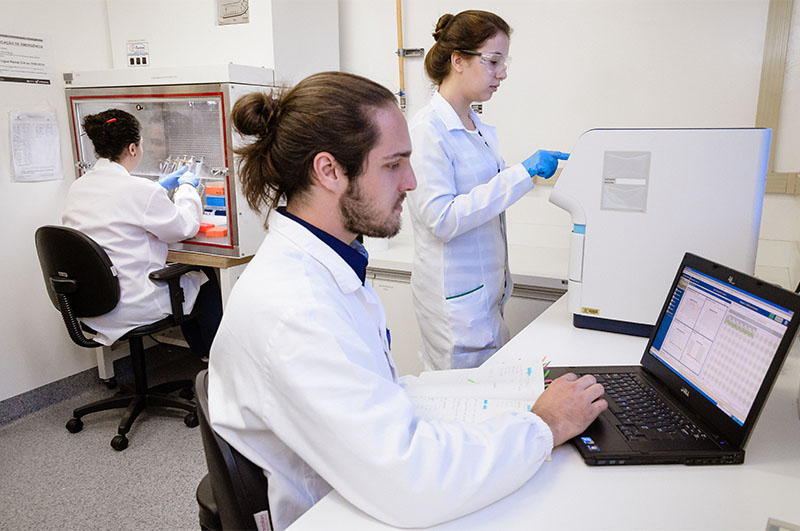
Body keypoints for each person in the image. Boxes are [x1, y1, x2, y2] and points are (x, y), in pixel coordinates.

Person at [208, 71, 605, 530]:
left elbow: (380, 392)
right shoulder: (297, 309)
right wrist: (544, 427)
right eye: (394, 164)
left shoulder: (326, 264)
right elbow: (412, 483)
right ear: (329, 171)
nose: (412, 182)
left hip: (351, 481)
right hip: (327, 512)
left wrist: (509, 401)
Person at [407, 10, 570, 370]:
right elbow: (442, 219)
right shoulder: (427, 131)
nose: (503, 73)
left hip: (485, 302)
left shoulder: (475, 125)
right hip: (454, 310)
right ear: (458, 61)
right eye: (494, 61)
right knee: (456, 407)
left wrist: (523, 176)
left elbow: (483, 199)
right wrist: (522, 174)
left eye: (504, 61)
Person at [62, 108, 222, 360]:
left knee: (188, 277)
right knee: (206, 277)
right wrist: (187, 189)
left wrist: (157, 188)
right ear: (133, 148)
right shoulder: (138, 190)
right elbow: (185, 226)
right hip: (131, 305)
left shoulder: (79, 186)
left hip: (89, 303)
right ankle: (213, 361)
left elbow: (120, 207)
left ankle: (202, 355)